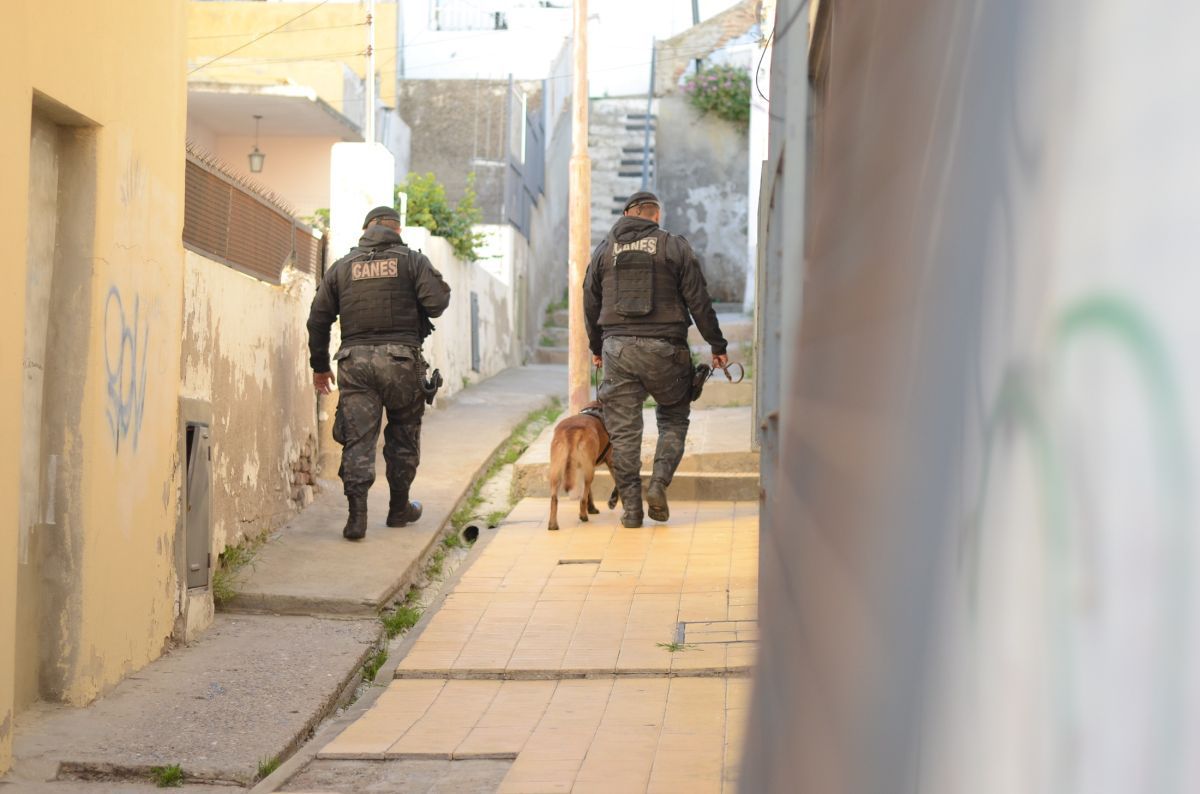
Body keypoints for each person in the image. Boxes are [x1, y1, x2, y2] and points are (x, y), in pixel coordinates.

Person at [584, 191, 728, 528]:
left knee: (623, 433)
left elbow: (589, 302)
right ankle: (658, 485)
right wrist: (716, 344)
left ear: (627, 214)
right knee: (674, 419)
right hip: (666, 349)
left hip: (616, 349)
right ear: (655, 216)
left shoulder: (605, 249)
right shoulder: (674, 246)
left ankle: (631, 510)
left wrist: (596, 348)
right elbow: (699, 299)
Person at [307, 206, 451, 541]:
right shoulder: (412, 261)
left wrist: (319, 367)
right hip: (402, 362)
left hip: (354, 364)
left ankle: (356, 519)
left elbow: (317, 319)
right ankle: (399, 510)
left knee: (359, 440)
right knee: (403, 437)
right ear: (397, 230)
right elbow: (437, 305)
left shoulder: (341, 267)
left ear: (366, 230)